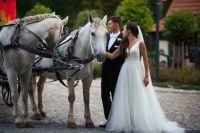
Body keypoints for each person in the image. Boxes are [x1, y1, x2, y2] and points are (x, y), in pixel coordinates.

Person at [105, 22, 185, 133]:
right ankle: (128, 123)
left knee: (138, 96)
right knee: (126, 96)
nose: (122, 31)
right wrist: (100, 51)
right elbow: (112, 56)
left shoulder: (140, 43)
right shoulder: (124, 43)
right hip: (125, 71)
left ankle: (139, 123)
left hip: (137, 71)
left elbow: (145, 60)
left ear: (129, 31)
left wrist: (146, 75)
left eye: (124, 29)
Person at [100, 16, 125, 127]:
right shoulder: (106, 37)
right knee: (104, 96)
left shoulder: (123, 38)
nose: (108, 26)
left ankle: (117, 121)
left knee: (116, 97)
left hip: (117, 72)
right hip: (105, 71)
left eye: (110, 24)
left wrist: (100, 50)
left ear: (116, 24)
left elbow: (113, 56)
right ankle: (109, 120)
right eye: (108, 24)